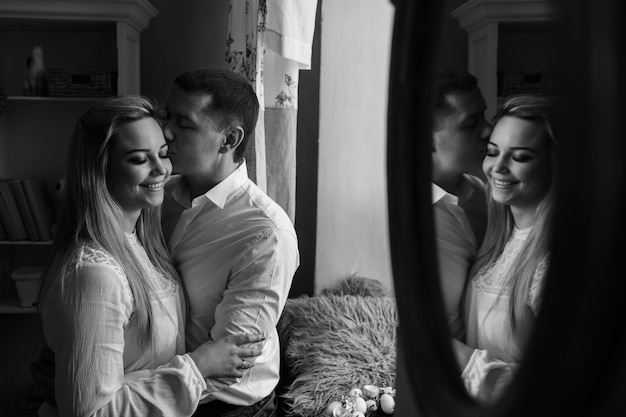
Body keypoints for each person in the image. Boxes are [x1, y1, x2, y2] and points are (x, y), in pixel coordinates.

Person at [37, 95, 264, 417]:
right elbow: (91, 413)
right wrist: (197, 369)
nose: (162, 170)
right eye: (139, 159)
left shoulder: (142, 244)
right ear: (98, 168)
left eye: (162, 154)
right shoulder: (93, 274)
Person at [160, 69, 299, 416]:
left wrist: (122, 392)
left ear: (229, 139)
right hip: (156, 388)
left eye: (184, 123)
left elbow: (227, 365)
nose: (165, 131)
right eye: (167, 116)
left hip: (222, 407)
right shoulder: (154, 197)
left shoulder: (266, 234)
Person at [453, 94, 558, 402]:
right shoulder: (498, 241)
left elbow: (559, 387)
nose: (497, 168)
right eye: (492, 152)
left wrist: (464, 362)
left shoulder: (550, 262)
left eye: (520, 157)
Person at [431, 70, 492, 340]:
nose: (488, 129)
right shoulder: (414, 219)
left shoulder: (484, 192)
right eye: (470, 124)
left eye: (484, 115)